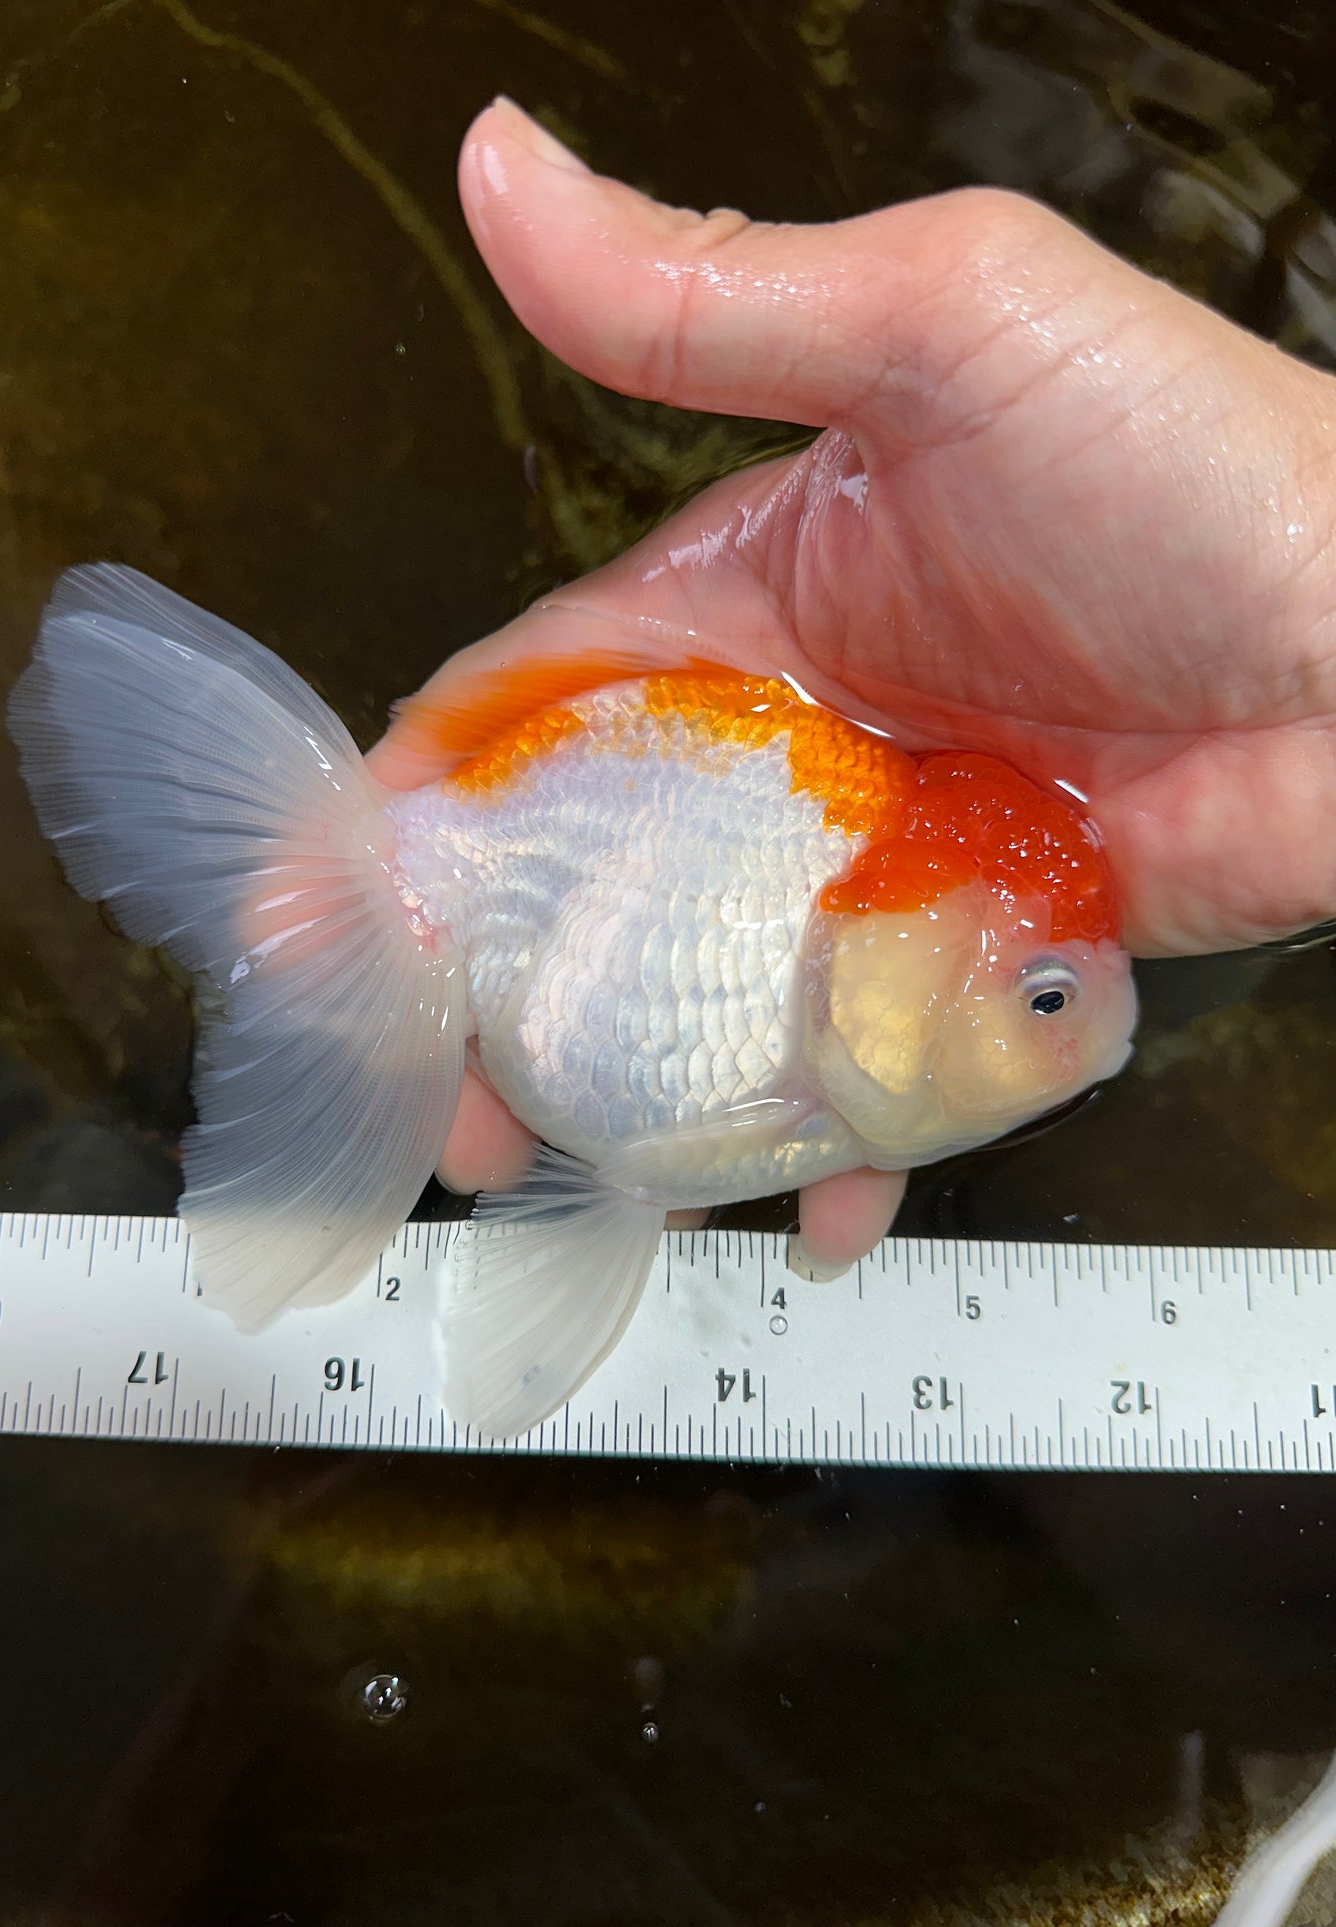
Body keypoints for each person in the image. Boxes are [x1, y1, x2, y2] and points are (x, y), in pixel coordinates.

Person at [368, 96, 1336, 1278]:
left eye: (1050, 995)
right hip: (544, 805)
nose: (1087, 1025)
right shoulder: (834, 885)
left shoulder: (855, 979)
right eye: (1041, 997)